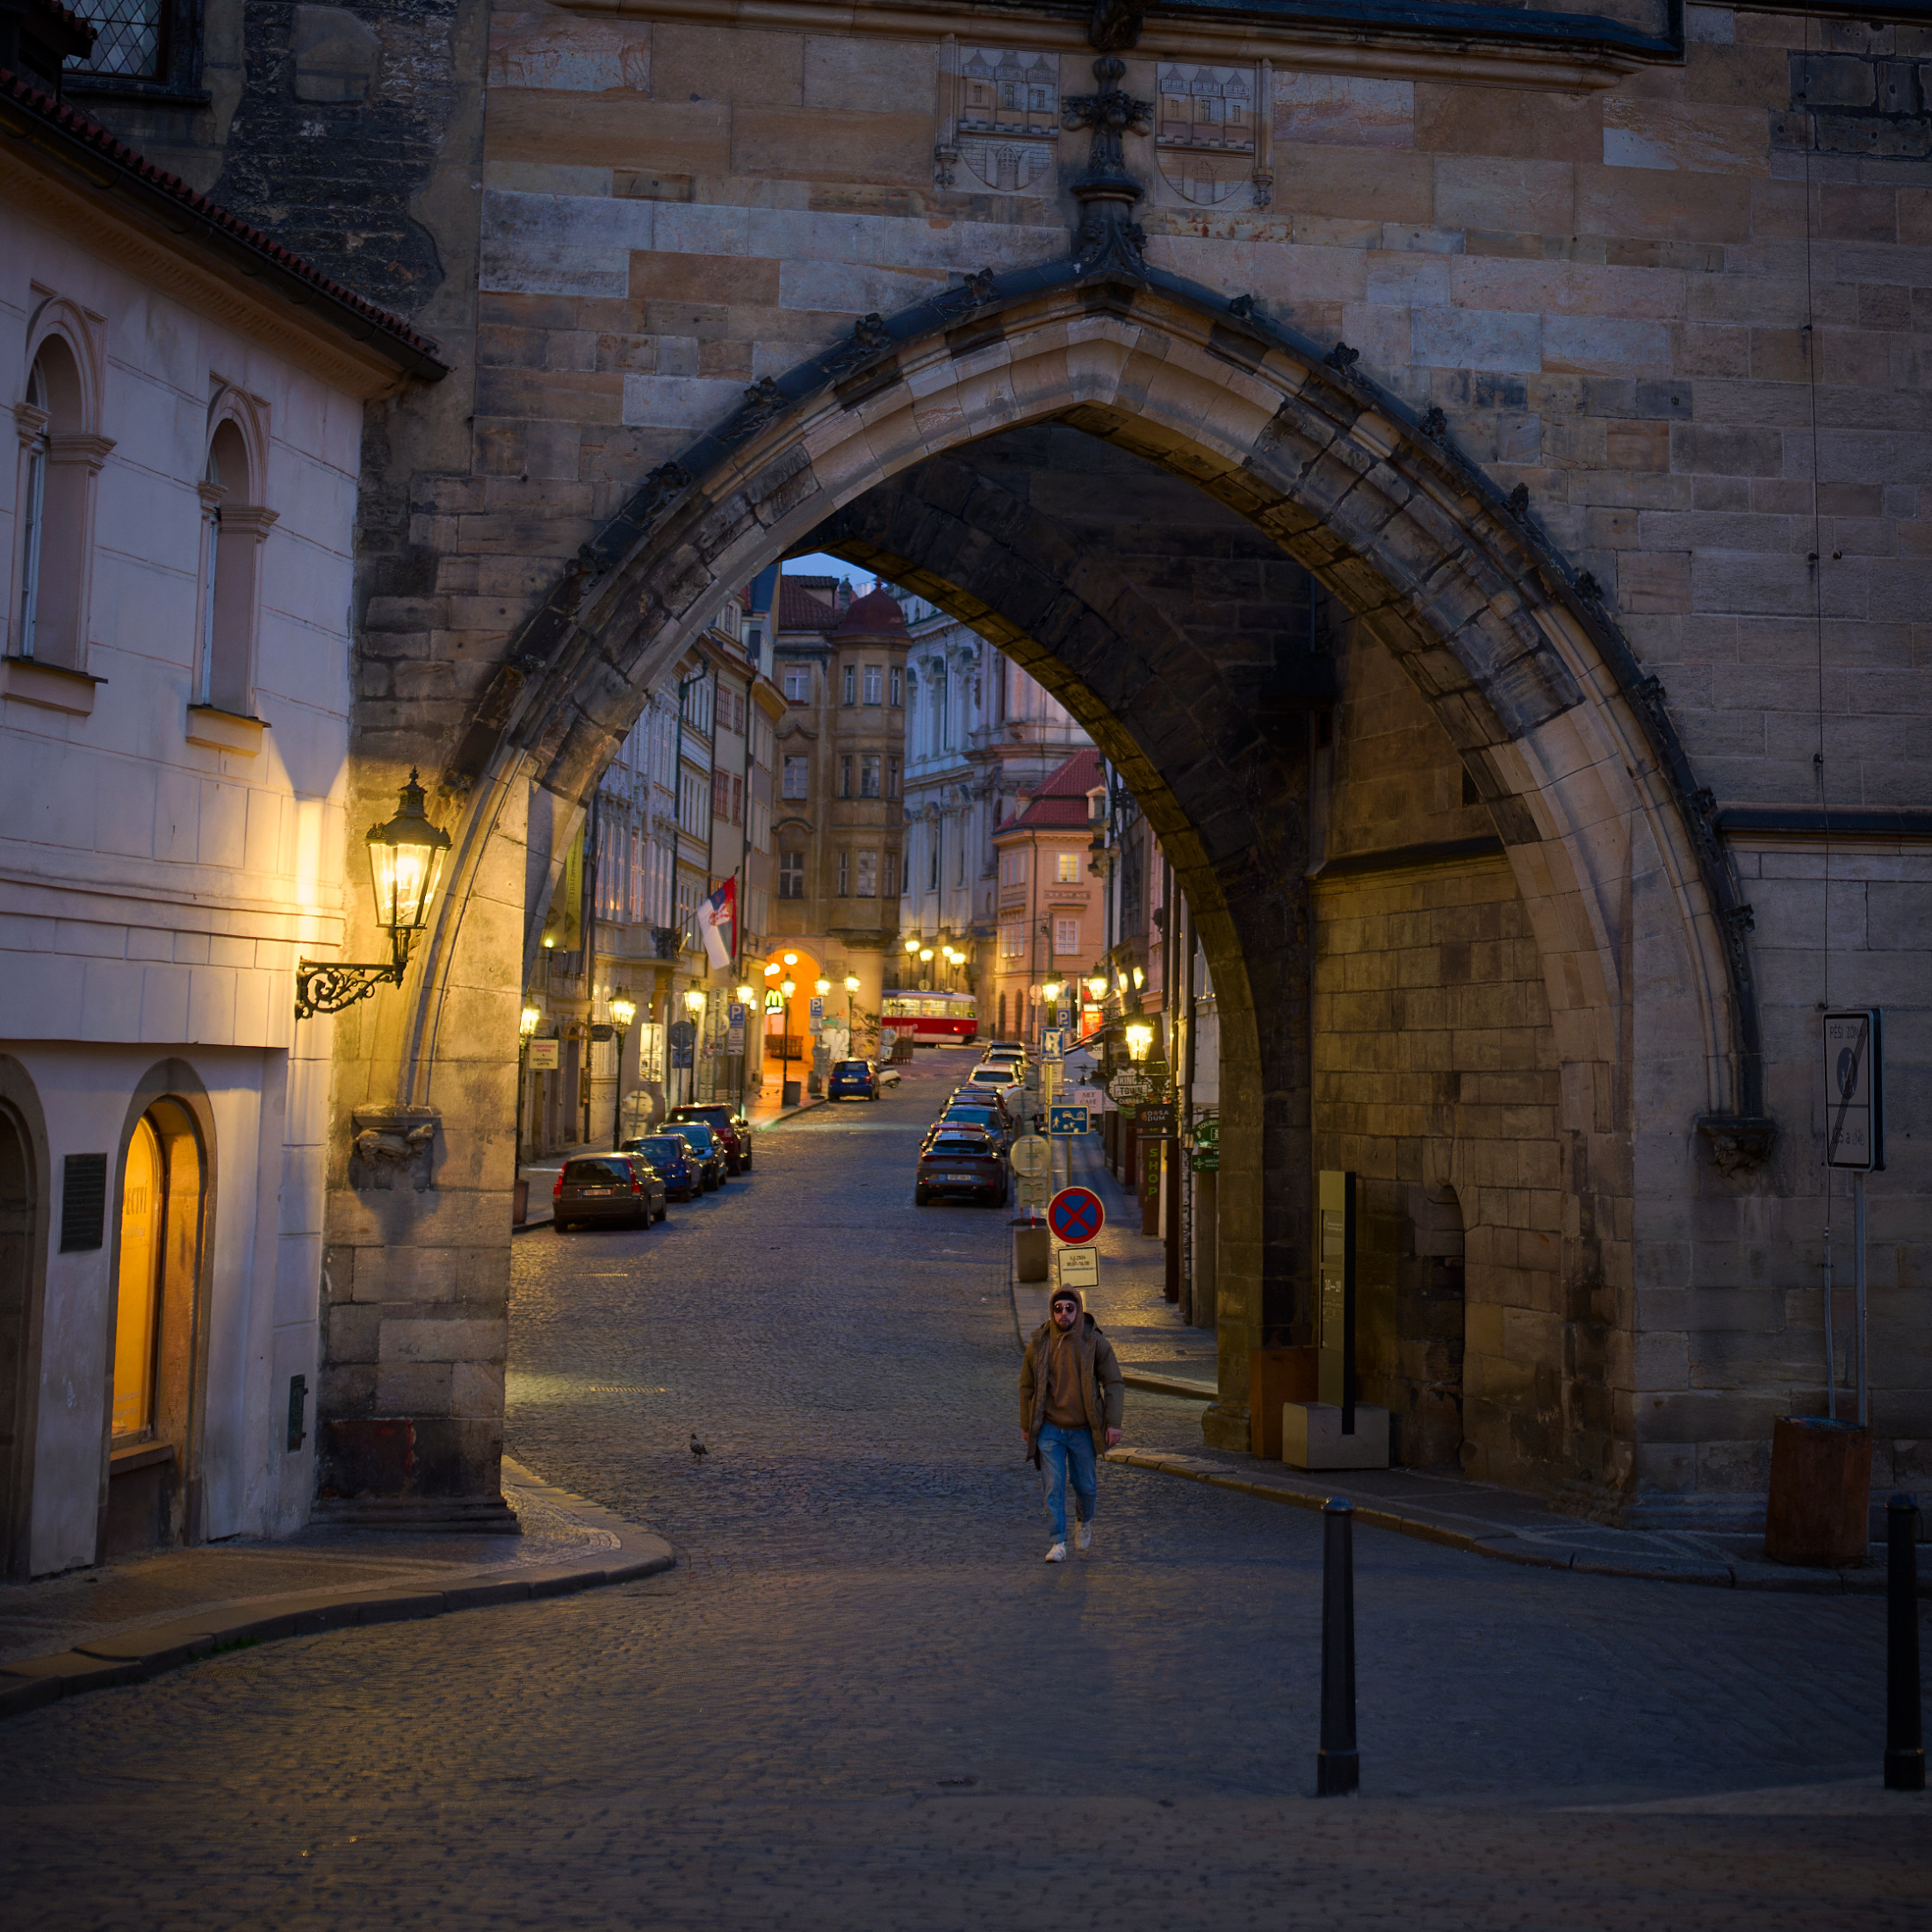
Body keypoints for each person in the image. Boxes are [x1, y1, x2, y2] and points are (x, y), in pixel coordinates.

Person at [1020, 1286, 1124, 1562]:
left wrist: (1113, 1423)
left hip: (1083, 1430)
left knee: (1086, 1486)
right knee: (1053, 1485)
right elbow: (1027, 1385)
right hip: (1050, 1428)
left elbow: (1113, 1382)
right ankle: (1057, 1542)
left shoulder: (1094, 1342)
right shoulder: (1040, 1341)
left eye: (1069, 1308)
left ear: (1078, 1310)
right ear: (1052, 1312)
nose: (1063, 1314)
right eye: (1058, 1309)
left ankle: (1084, 1519)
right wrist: (1027, 1423)